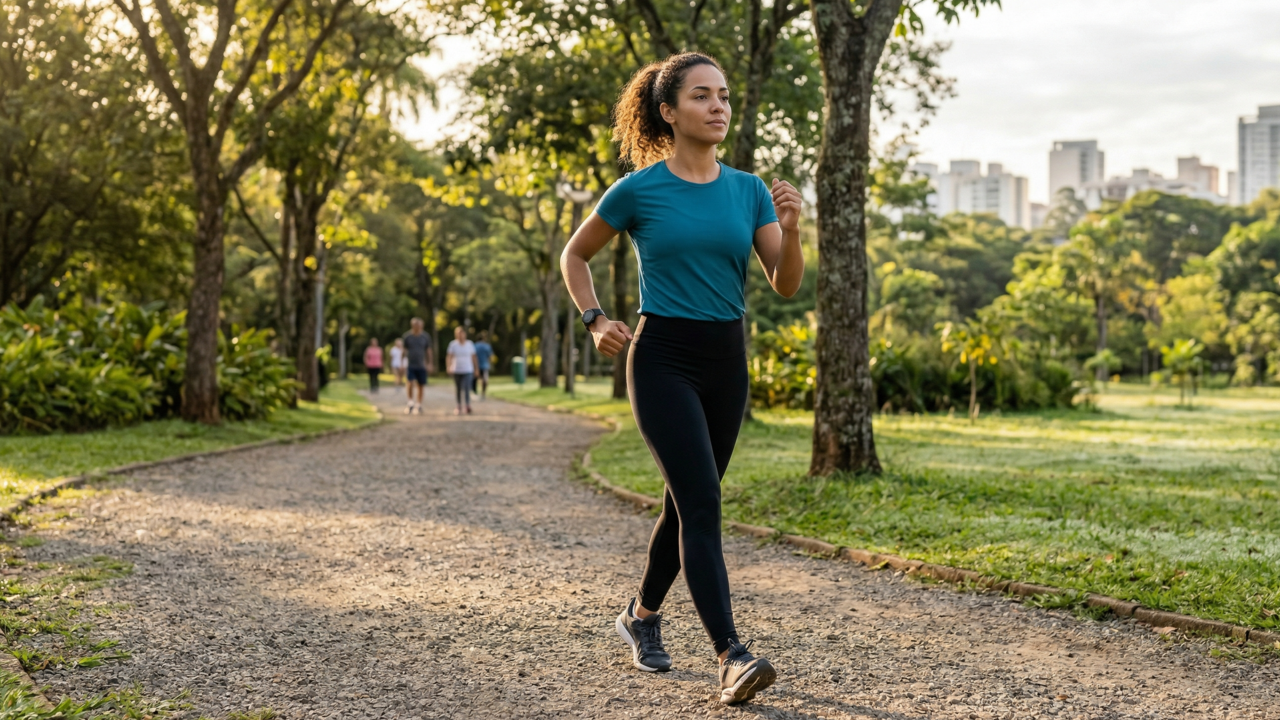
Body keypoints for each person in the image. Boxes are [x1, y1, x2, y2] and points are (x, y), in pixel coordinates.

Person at [560, 53, 803, 706]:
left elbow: (784, 282)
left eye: (724, 95)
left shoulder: (749, 190)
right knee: (702, 503)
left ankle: (639, 617)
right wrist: (594, 319)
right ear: (669, 112)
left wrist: (796, 228)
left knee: (686, 502)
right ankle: (731, 655)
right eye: (702, 96)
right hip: (662, 356)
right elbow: (574, 254)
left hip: (727, 360)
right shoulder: (639, 190)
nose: (719, 106)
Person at [402, 318, 433, 415]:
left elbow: (428, 351)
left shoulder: (425, 337)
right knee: (410, 382)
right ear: (412, 325)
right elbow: (404, 351)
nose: (418, 327)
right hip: (411, 364)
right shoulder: (407, 337)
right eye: (416, 325)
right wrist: (401, 363)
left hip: (421, 365)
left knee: (421, 385)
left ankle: (418, 405)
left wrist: (430, 363)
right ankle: (410, 402)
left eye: (419, 325)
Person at [445, 326, 478, 416]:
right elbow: (449, 356)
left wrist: (476, 369)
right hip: (456, 369)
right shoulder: (453, 345)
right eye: (458, 334)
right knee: (458, 388)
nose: (460, 336)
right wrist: (448, 366)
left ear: (465, 334)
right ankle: (458, 405)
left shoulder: (469, 344)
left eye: (462, 334)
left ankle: (467, 405)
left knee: (467, 387)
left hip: (468, 369)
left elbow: (474, 357)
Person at [473, 331, 494, 399]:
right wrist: (490, 364)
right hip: (485, 365)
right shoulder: (486, 346)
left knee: (475, 379)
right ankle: (483, 393)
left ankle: (475, 392)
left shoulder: (474, 346)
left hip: (475, 365)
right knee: (484, 380)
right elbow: (490, 356)